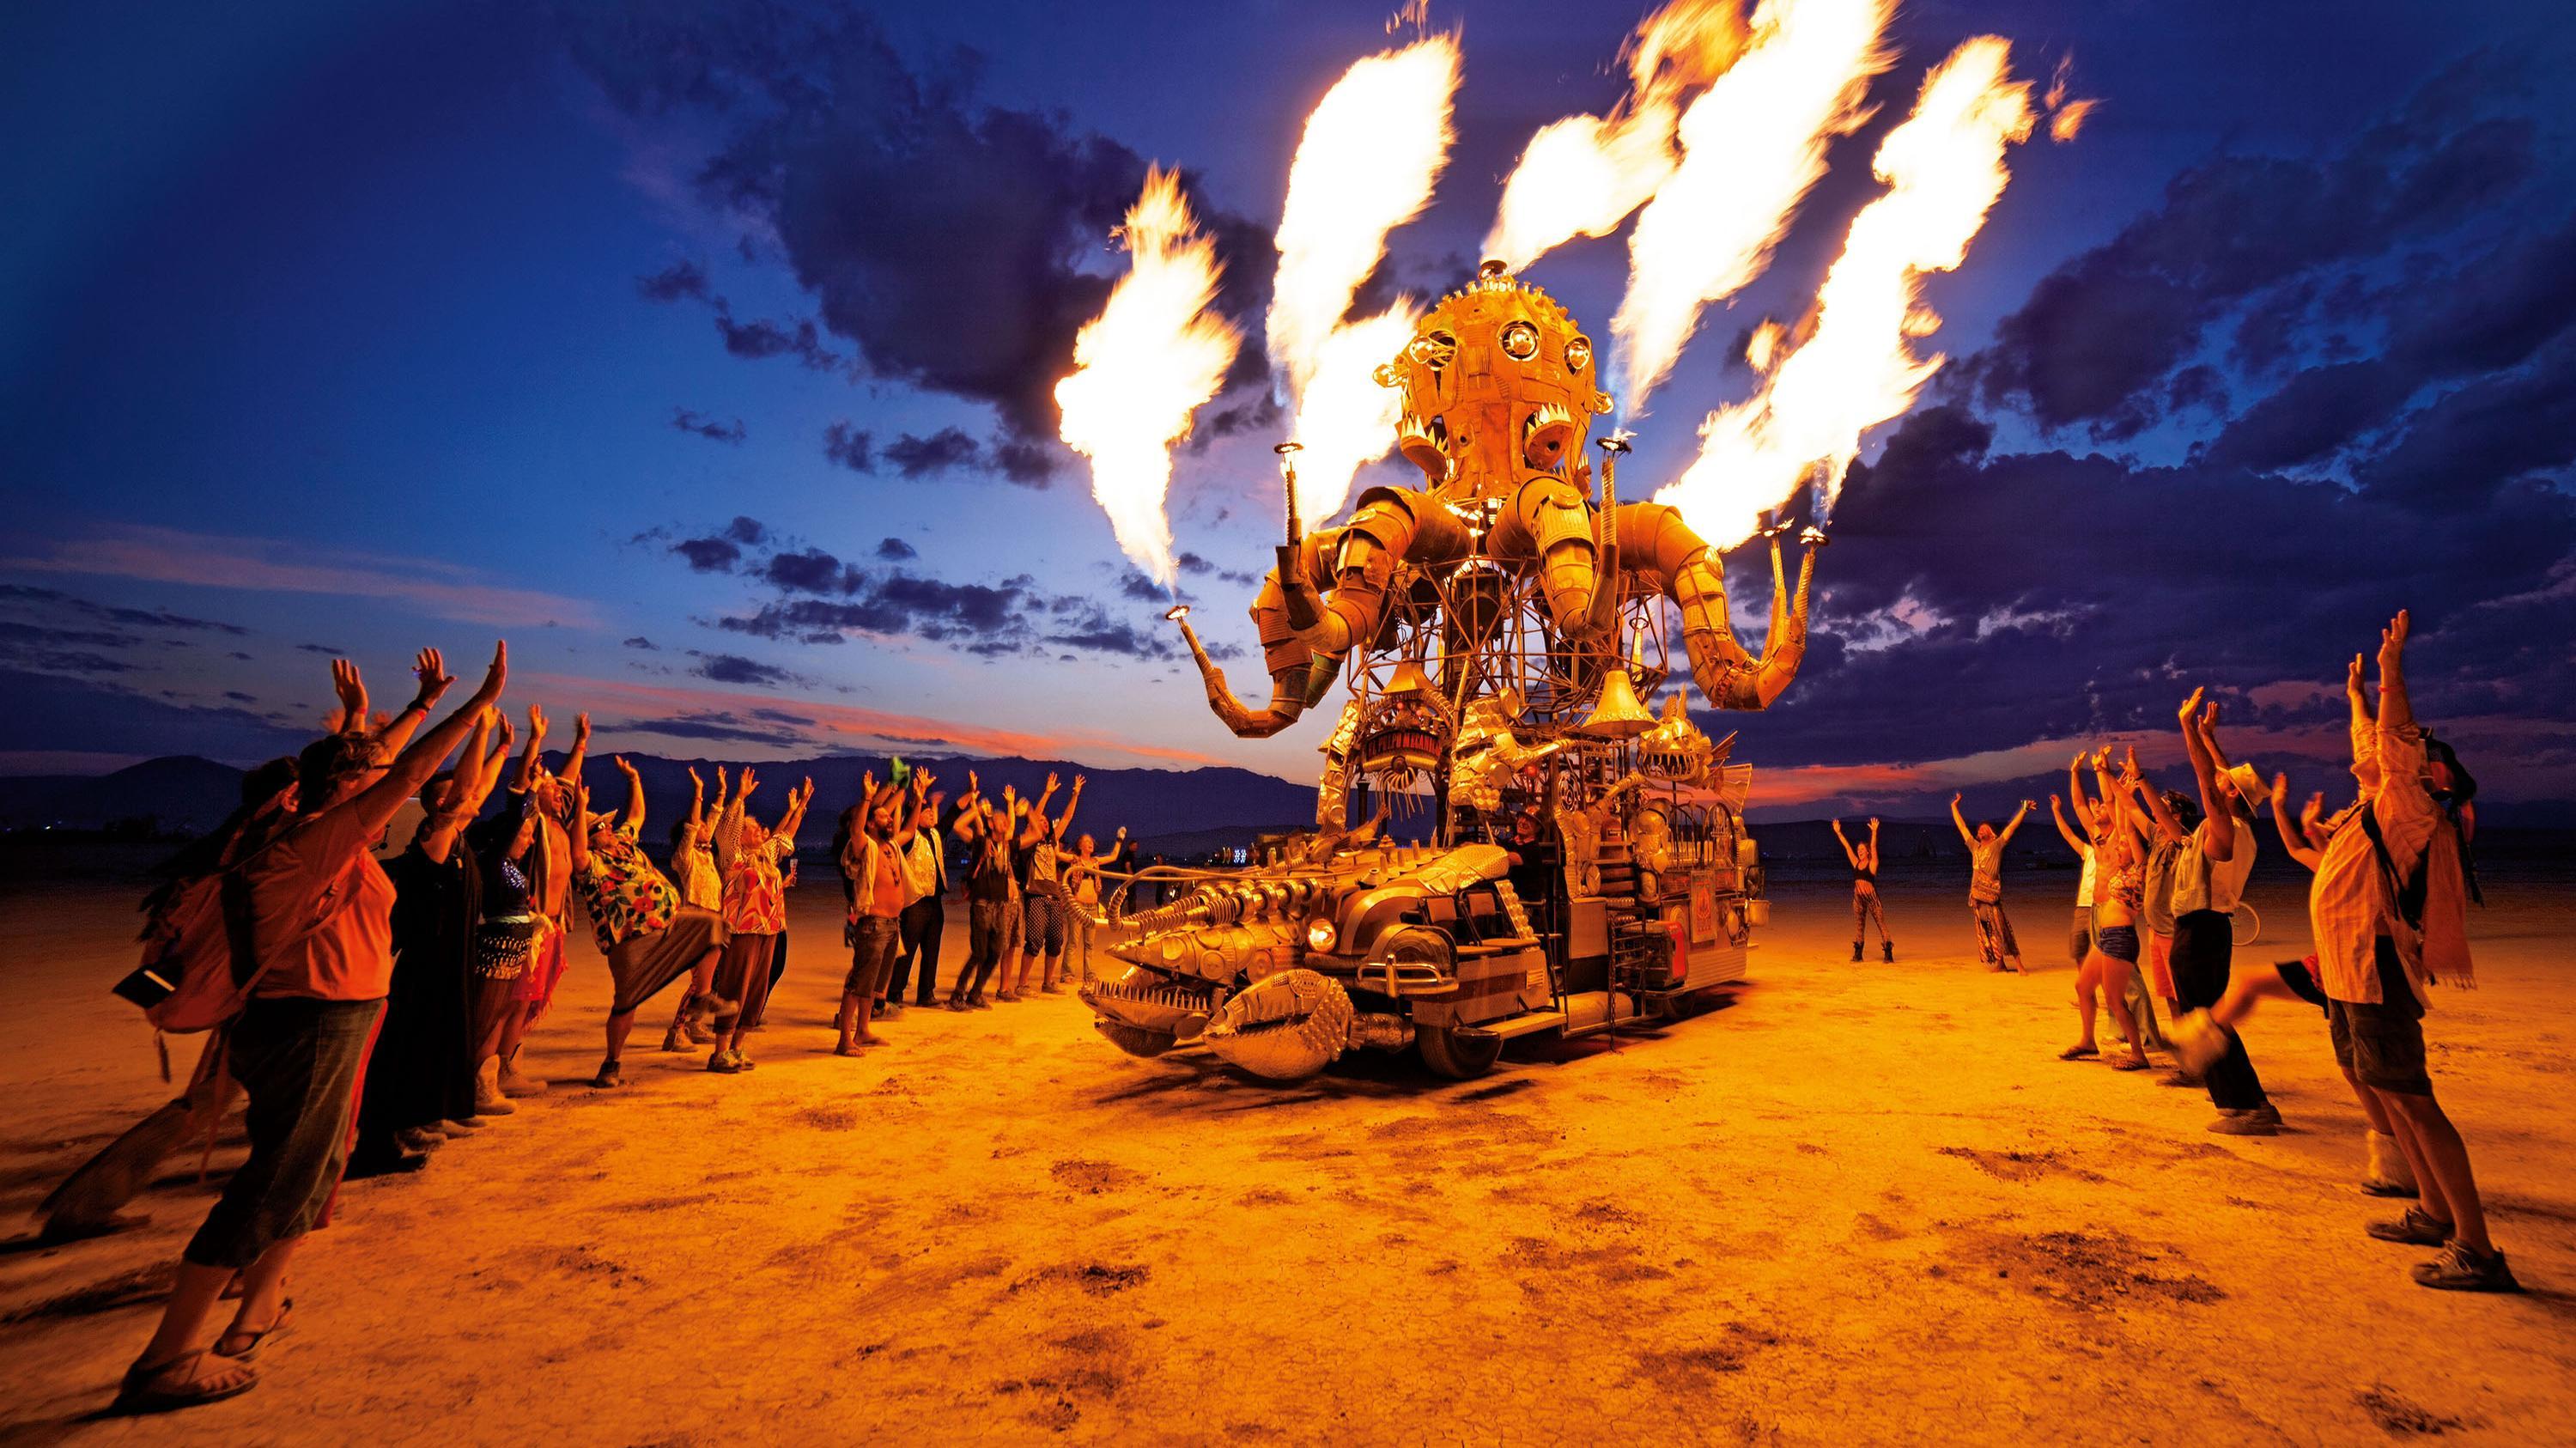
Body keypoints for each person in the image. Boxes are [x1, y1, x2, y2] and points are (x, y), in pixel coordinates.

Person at [116, 642, 507, 1413]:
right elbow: (404, 775)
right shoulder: (311, 845)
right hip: (311, 1024)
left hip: (325, 1020)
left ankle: (260, 1303)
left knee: (311, 1172)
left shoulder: (316, 831)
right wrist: (477, 704)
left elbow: (381, 761)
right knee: (275, 1181)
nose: (380, 787)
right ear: (342, 787)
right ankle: (167, 1357)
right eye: (364, 776)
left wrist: (419, 703)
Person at [2239, 617, 2506, 1289]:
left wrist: (2391, 675)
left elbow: (2392, 744)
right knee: (2388, 1093)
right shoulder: (2370, 807)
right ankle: (2432, 1209)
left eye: (2403, 758)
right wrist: (2354, 694)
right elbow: (2373, 740)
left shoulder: (2408, 807)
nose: (2371, 755)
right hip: (2346, 972)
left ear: (2425, 773)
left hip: (2376, 965)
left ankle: (2476, 1248)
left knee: (2414, 1100)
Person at [2165, 770, 2421, 1198]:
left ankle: (2197, 1038)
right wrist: (2283, 809)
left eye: (2348, 817)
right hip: (2330, 967)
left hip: (2362, 968)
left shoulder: (2371, 869)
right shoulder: (2334, 863)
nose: (2337, 817)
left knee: (2380, 1078)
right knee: (2353, 1070)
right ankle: (2395, 1162)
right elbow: (2297, 847)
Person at [349, 707, 512, 1176]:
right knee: (406, 1048)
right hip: (424, 965)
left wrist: (499, 747)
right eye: (459, 799)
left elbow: (474, 790)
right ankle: (381, 1138)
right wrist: (479, 729)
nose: (474, 800)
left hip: (449, 961)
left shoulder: (459, 842)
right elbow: (466, 790)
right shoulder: (433, 841)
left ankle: (408, 1123)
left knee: (432, 1046)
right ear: (440, 807)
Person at [2137, 690, 2271, 1134]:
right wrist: (2210, 738)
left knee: (2208, 1026)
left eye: (2225, 782)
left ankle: (2248, 1107)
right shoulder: (2230, 827)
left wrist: (2188, 728)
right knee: (2209, 1022)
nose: (2218, 781)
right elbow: (2212, 783)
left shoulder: (2224, 829)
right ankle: (2246, 1104)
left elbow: (2207, 781)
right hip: (2204, 931)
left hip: (2201, 932)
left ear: (2231, 794)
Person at [564, 762, 730, 1090]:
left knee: (715, 927)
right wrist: (581, 811)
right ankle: (611, 1063)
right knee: (626, 1002)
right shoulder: (593, 865)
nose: (609, 830)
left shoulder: (625, 845)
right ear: (590, 837)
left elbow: (636, 816)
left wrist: (635, 779)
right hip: (631, 940)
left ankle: (703, 995)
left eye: (607, 827)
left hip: (669, 924)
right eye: (600, 828)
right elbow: (579, 853)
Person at [463, 705, 550, 1104]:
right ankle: (479, 1089)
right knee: (487, 1016)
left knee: (500, 1014)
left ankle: (490, 1081)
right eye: (525, 834)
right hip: (495, 952)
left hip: (512, 952)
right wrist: (529, 751)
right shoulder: (494, 861)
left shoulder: (510, 865)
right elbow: (518, 810)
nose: (530, 839)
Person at [708, 768, 811, 1073]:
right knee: (734, 987)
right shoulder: (733, 857)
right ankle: (720, 1051)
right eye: (752, 829)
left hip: (769, 931)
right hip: (741, 931)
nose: (759, 832)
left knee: (756, 989)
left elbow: (786, 836)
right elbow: (726, 830)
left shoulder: (765, 855)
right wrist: (739, 797)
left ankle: (738, 1047)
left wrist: (802, 805)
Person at [2058, 751, 2153, 1071]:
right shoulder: (2101, 841)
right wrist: (2082, 770)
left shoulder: (2131, 857)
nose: (2098, 810)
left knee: (2122, 993)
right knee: (2084, 987)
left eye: (2102, 809)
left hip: (2120, 934)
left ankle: (2141, 1046)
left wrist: (2106, 773)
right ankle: (2089, 1040)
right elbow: (2082, 808)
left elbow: (2119, 809)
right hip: (2103, 924)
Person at [838, 773, 909, 1051]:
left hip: (892, 924)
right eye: (882, 817)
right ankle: (845, 1038)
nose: (889, 819)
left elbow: (908, 825)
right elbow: (857, 829)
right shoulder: (864, 845)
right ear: (869, 823)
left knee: (872, 985)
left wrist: (902, 792)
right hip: (873, 924)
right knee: (858, 982)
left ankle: (864, 1031)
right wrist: (868, 798)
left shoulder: (889, 846)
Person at [660, 765, 728, 1052]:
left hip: (712, 918)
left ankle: (694, 1024)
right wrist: (699, 793)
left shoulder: (704, 854)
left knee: (708, 980)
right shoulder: (684, 857)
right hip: (696, 919)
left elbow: (710, 822)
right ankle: (675, 1031)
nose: (704, 829)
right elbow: (693, 828)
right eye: (699, 828)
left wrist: (722, 792)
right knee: (700, 981)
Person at [945, 775, 1013, 1011]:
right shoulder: (980, 841)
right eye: (1000, 820)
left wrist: (1013, 807)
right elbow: (957, 826)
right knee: (979, 952)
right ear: (992, 823)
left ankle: (976, 993)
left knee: (995, 953)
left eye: (1006, 821)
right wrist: (976, 807)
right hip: (982, 904)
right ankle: (957, 994)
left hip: (1000, 906)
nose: (1004, 823)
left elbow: (1030, 833)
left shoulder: (1006, 847)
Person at [1016, 772, 1084, 995]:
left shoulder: (1052, 842)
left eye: (1046, 822)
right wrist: (1046, 793)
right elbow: (1034, 817)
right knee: (1034, 940)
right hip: (1035, 895)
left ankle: (1047, 983)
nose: (1044, 823)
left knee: (1056, 941)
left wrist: (1075, 794)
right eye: (1040, 822)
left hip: (1054, 897)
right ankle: (1022, 984)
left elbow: (1066, 818)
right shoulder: (1030, 841)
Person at [886, 771, 949, 1011]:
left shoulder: (934, 834)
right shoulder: (911, 838)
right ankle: (894, 992)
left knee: (932, 948)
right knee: (908, 948)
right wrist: (918, 797)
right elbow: (908, 825)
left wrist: (933, 803)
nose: (931, 815)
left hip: (935, 901)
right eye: (926, 812)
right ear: (915, 816)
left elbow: (949, 817)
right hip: (915, 901)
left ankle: (926, 993)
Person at [1950, 794, 2029, 971]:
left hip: (1991, 896)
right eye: (1979, 828)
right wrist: (1954, 806)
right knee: (1987, 930)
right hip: (1978, 897)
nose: (1981, 830)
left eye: (1984, 828)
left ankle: (2019, 965)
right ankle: (2000, 964)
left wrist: (2023, 810)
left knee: (2002, 929)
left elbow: (2011, 828)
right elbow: (1961, 826)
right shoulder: (1974, 847)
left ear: (1992, 833)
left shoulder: (1996, 845)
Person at [2053, 757, 2102, 970]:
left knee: (2103, 953)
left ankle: (2113, 996)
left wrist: (2101, 771)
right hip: (2083, 906)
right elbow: (2068, 835)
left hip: (2101, 906)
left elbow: (2081, 806)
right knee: (2079, 951)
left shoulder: (2112, 848)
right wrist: (2056, 811)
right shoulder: (2088, 851)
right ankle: (2087, 991)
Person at [1830, 818, 1893, 963]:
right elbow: (1847, 848)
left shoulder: (1872, 865)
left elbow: (1874, 847)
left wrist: (1874, 832)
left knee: (1881, 925)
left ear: (1868, 852)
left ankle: (1888, 954)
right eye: (1859, 850)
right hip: (1858, 899)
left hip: (1872, 899)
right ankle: (1858, 954)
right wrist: (1839, 833)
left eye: (1862, 850)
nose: (1859, 852)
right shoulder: (1856, 863)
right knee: (1859, 927)